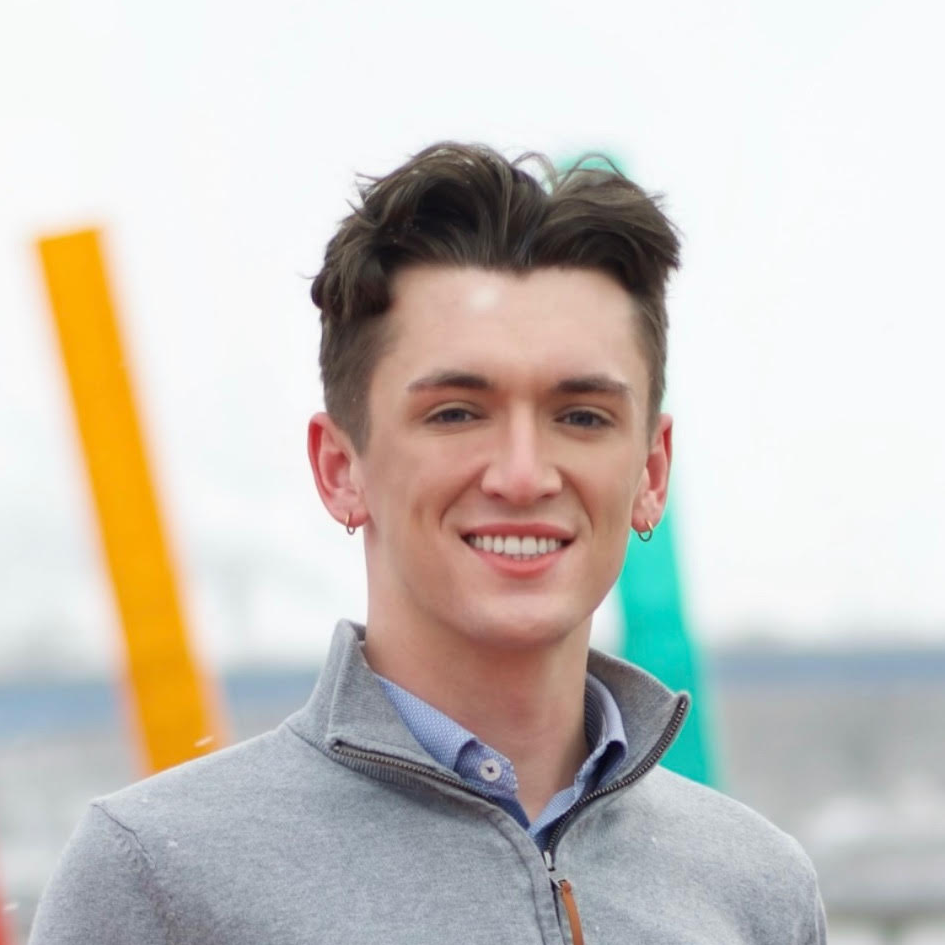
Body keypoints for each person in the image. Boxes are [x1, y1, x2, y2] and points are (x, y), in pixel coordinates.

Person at [29, 142, 827, 944]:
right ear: (340, 467)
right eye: (456, 412)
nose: (523, 474)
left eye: (580, 415)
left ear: (650, 471)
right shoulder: (158, 881)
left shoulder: (756, 889)